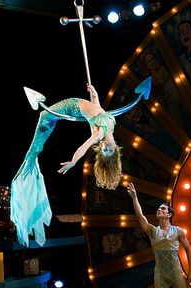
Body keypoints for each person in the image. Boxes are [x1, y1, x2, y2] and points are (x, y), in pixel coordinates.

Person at [10, 83, 122, 247]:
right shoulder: (107, 128)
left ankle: (30, 160)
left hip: (73, 106)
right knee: (44, 118)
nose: (106, 147)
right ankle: (29, 161)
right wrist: (95, 94)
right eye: (110, 150)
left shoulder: (106, 128)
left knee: (44, 119)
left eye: (104, 150)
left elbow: (85, 143)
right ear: (115, 151)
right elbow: (96, 113)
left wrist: (73, 162)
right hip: (74, 106)